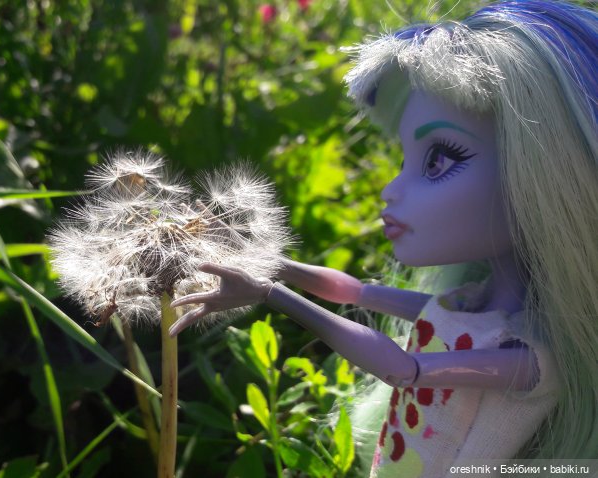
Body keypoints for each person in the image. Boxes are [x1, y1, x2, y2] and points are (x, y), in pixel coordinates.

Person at [167, 1, 598, 476]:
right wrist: (273, 265)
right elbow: (352, 291)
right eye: (404, 160)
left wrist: (274, 294)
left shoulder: (527, 360)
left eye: (438, 160)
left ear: (546, 174)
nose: (391, 189)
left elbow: (402, 370)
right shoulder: (466, 305)